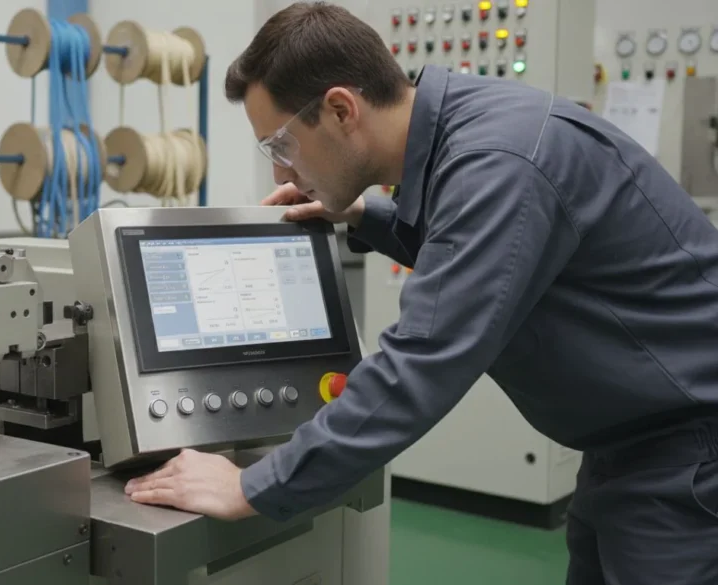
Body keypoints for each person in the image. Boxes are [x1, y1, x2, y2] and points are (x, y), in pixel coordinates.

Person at [124, 2, 718, 582]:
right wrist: (363, 214)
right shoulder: (470, 128)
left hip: (686, 455)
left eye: (281, 145)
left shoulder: (498, 161)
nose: (281, 172)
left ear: (340, 109)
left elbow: (423, 360)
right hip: (631, 447)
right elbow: (471, 250)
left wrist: (252, 485)